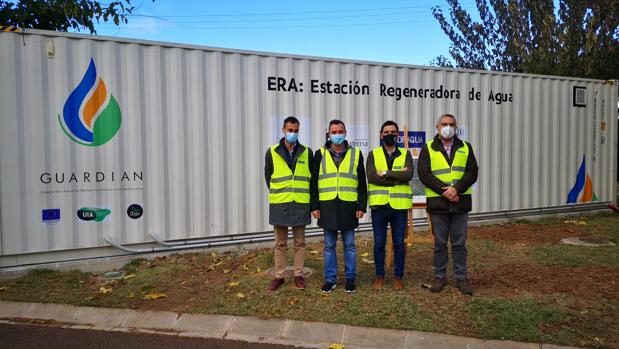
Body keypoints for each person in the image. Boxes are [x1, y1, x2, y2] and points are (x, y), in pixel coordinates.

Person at [417, 114, 478, 295]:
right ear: (437, 127)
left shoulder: (466, 147)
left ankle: (462, 278)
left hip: (460, 203)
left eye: (451, 124)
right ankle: (439, 277)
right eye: (444, 124)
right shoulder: (428, 148)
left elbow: (472, 172)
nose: (448, 127)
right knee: (440, 244)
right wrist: (447, 191)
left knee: (459, 244)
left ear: (456, 127)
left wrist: (456, 189)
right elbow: (424, 174)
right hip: (439, 204)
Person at [310, 120, 367, 294]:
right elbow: (313, 183)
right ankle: (330, 280)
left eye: (340, 131)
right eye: (334, 132)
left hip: (348, 206)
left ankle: (350, 279)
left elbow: (362, 184)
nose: (337, 135)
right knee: (328, 246)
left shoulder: (356, 154)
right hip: (327, 206)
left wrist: (362, 206)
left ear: (346, 132)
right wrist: (314, 206)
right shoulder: (319, 154)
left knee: (349, 245)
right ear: (328, 133)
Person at [264, 116, 313, 292]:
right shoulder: (272, 152)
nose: (293, 133)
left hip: (300, 203)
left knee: (299, 242)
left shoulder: (307, 152)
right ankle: (279, 276)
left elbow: (311, 179)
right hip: (280, 203)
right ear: (283, 130)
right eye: (290, 130)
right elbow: (268, 177)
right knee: (280, 243)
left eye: (296, 130)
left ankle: (298, 275)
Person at [366, 120, 413, 291]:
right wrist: (395, 179)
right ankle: (379, 275)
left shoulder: (405, 154)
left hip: (399, 207)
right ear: (381, 135)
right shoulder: (373, 154)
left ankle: (398, 276)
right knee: (379, 243)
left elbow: (408, 175)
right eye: (386, 132)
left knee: (399, 243)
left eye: (393, 132)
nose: (390, 135)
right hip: (379, 206)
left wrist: (385, 174)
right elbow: (371, 176)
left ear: (398, 135)